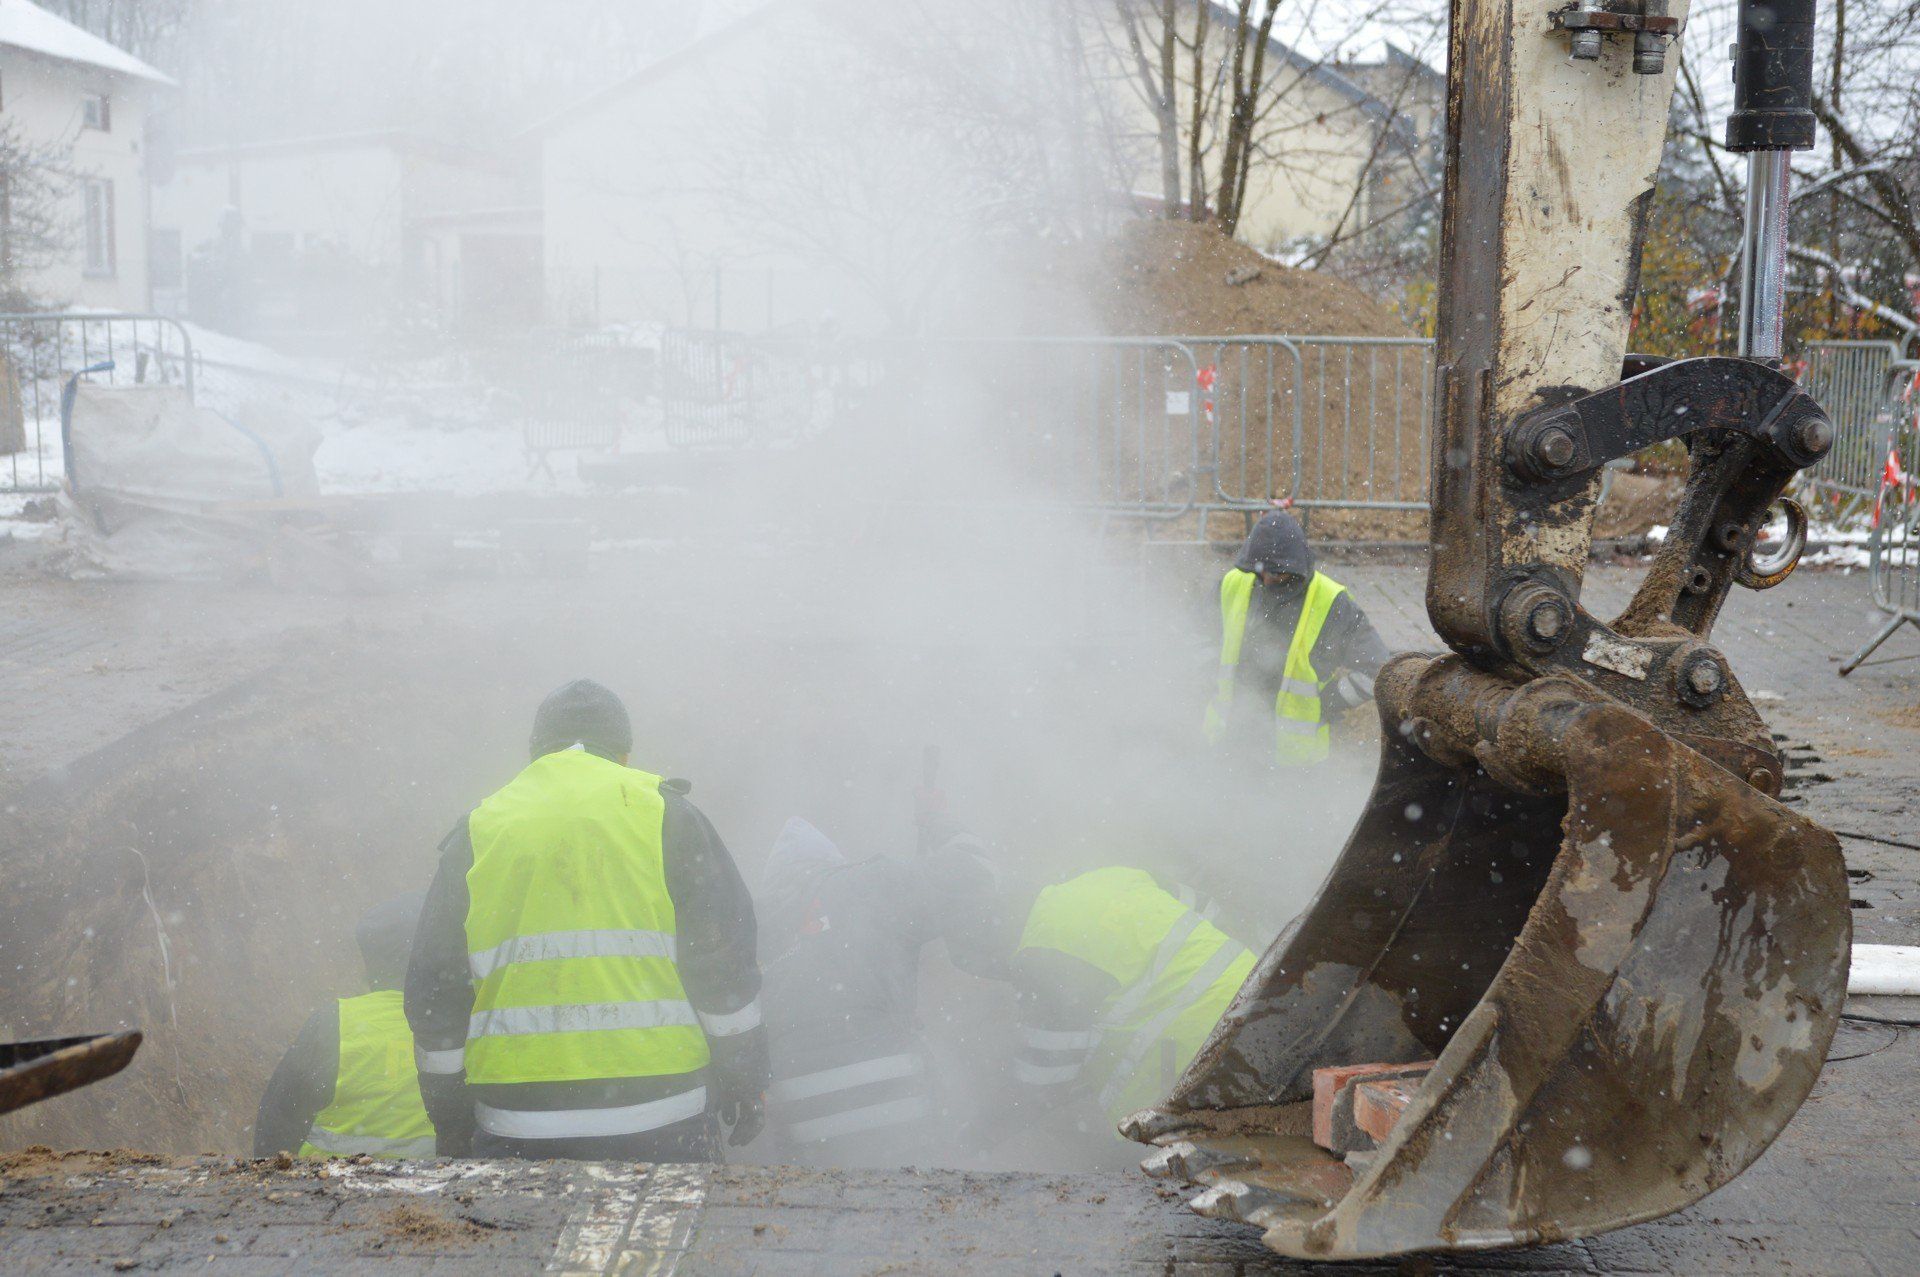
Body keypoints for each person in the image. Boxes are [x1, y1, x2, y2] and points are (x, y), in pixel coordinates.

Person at [404, 679, 767, 1163]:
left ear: (535, 752)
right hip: (663, 1119)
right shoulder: (670, 817)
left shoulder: (478, 830)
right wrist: (745, 1078)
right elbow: (723, 967)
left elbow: (437, 995)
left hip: (517, 1127)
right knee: (664, 1240)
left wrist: (449, 1119)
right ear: (623, 754)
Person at [758, 812, 1003, 1166]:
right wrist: (943, 825)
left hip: (807, 1131)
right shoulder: (869, 885)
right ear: (831, 865)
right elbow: (976, 872)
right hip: (901, 1117)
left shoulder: (754, 922)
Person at [1005, 866, 1255, 1143]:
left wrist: (985, 1131)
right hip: (1255, 997)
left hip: (1192, 1056)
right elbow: (1209, 910)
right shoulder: (1107, 878)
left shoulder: (1044, 951)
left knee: (1182, 1166)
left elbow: (1044, 1082)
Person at [254, 892, 437, 1159]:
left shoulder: (333, 1024)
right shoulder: (460, 1025)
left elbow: (276, 1123)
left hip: (325, 1191)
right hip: (440, 1193)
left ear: (370, 962)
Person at [1202, 508, 1390, 766]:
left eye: (1276, 573)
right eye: (1260, 571)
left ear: (1296, 568)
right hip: (1228, 744)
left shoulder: (1332, 603)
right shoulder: (1233, 584)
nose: (1266, 580)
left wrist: (1327, 702)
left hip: (1295, 762)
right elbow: (1193, 633)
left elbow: (1378, 670)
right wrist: (1207, 674)